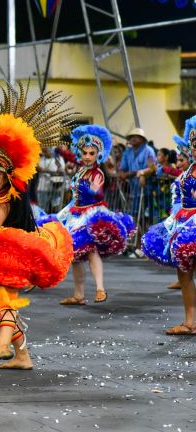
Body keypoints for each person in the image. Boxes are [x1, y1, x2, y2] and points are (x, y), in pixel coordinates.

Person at [0, 88, 74, 370]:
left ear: (8, 177)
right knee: (1, 303)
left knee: (4, 303)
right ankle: (22, 356)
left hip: (6, 256)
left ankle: (2, 346)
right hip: (5, 255)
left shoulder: (2, 204)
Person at [58, 125, 136, 306]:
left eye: (91, 153)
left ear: (98, 154)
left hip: (91, 215)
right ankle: (78, 295)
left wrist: (94, 191)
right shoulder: (81, 170)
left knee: (91, 252)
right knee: (75, 255)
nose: (87, 156)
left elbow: (99, 193)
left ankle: (100, 288)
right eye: (84, 153)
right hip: (75, 213)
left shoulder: (97, 172)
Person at [142, 116, 196, 335]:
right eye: (193, 144)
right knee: (184, 272)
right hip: (184, 221)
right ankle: (190, 321)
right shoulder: (190, 168)